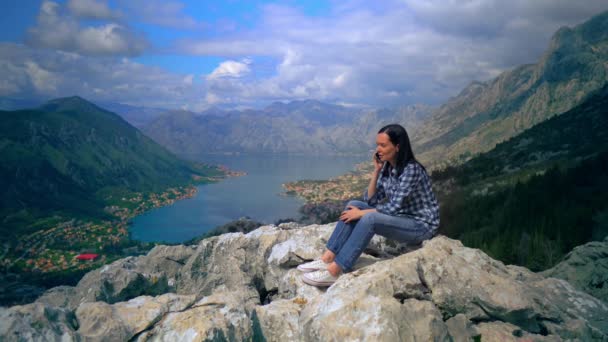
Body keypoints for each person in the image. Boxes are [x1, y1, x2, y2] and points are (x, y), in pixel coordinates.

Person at [298, 124, 440, 287]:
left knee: (369, 218)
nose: (378, 149)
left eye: (383, 145)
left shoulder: (411, 170)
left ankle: (336, 271)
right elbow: (371, 200)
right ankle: (327, 258)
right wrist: (376, 171)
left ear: (398, 147)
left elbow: (393, 208)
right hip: (403, 218)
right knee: (353, 205)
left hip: (421, 226)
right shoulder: (389, 168)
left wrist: (361, 214)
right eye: (377, 145)